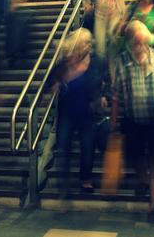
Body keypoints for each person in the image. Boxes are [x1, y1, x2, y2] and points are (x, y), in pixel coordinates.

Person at [110, 20, 154, 223]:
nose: (140, 44)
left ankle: (153, 206)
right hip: (133, 122)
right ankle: (142, 178)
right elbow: (116, 96)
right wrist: (113, 124)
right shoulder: (122, 62)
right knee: (137, 159)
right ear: (130, 42)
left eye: (142, 40)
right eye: (135, 40)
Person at [40, 28, 109, 194]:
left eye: (88, 43)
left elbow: (108, 80)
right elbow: (48, 82)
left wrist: (104, 96)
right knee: (63, 147)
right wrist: (54, 86)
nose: (87, 46)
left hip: (88, 111)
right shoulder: (64, 63)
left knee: (88, 147)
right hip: (67, 113)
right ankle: (63, 185)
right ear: (76, 44)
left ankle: (86, 179)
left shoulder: (97, 61)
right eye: (83, 43)